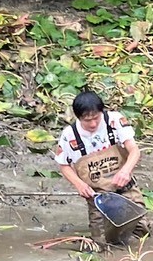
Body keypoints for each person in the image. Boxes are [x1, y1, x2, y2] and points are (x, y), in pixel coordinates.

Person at [54, 88, 143, 244]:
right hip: (97, 196)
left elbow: (134, 150)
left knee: (141, 230)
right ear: (78, 117)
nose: (93, 123)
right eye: (87, 120)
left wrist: (125, 171)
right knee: (102, 242)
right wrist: (79, 185)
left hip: (124, 187)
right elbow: (64, 165)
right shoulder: (70, 135)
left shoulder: (114, 121)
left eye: (96, 118)